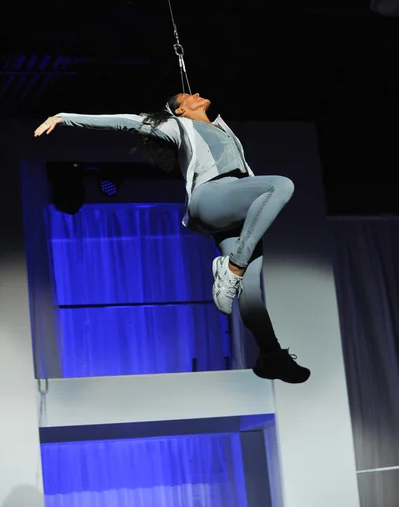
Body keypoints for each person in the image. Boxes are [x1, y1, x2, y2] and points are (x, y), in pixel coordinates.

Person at [34, 92, 310, 383]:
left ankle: (270, 356)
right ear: (179, 110)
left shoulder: (221, 126)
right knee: (280, 185)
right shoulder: (177, 126)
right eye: (188, 95)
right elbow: (123, 122)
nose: (197, 93)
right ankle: (233, 267)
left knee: (251, 293)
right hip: (212, 198)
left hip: (239, 209)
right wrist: (63, 117)